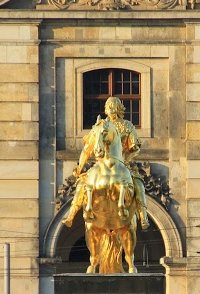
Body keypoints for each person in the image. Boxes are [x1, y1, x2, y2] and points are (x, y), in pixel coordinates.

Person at [63, 97, 148, 230]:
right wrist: (79, 168)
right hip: (101, 164)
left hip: (122, 164)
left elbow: (136, 148)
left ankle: (143, 217)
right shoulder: (100, 126)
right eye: (108, 105)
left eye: (113, 105)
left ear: (119, 108)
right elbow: (87, 149)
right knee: (82, 184)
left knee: (138, 184)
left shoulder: (127, 125)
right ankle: (71, 215)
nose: (110, 107)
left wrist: (127, 160)